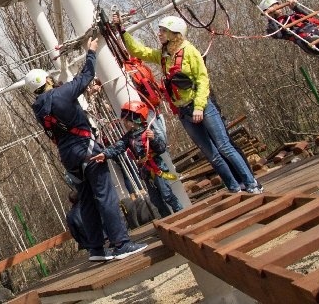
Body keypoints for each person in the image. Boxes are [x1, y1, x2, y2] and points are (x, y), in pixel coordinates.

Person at [111, 13, 263, 194]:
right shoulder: (164, 56)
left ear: (174, 33)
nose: (159, 34)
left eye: (162, 31)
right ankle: (233, 186)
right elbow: (139, 51)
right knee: (211, 154)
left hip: (201, 106)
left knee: (224, 146)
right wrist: (122, 31)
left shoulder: (189, 51)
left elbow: (202, 80)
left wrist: (199, 106)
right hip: (184, 112)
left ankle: (251, 183)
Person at [26, 38, 147, 262]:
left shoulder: (39, 108)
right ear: (47, 80)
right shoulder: (60, 94)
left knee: (87, 201)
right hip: (85, 149)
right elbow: (86, 75)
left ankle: (97, 249)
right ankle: (121, 243)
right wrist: (90, 52)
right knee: (105, 196)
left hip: (68, 156)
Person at [91, 100, 184, 217]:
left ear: (134, 119)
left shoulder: (149, 132)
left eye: (126, 120)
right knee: (156, 200)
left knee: (167, 194)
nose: (124, 123)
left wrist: (154, 139)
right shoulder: (129, 137)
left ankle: (181, 213)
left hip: (156, 167)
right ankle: (167, 218)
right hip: (145, 171)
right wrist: (105, 154)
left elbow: (161, 148)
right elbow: (118, 147)